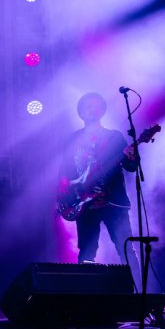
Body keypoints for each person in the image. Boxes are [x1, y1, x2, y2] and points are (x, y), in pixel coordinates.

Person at [57, 92, 137, 264]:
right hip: (85, 203)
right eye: (89, 106)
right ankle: (86, 290)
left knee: (126, 249)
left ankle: (137, 289)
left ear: (103, 111)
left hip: (114, 201)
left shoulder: (114, 137)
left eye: (97, 105)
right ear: (81, 112)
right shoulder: (72, 139)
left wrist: (132, 158)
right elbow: (65, 173)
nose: (93, 109)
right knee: (86, 253)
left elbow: (130, 167)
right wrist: (66, 196)